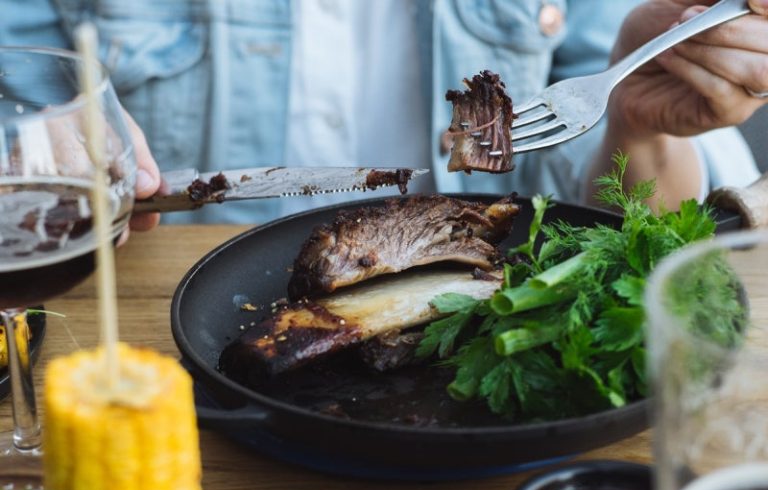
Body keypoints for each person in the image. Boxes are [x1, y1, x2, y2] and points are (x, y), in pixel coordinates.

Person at [2, 0, 767, 232]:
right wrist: (44, 144)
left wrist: (639, 126)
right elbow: (20, 120)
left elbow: (647, 229)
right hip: (173, 338)